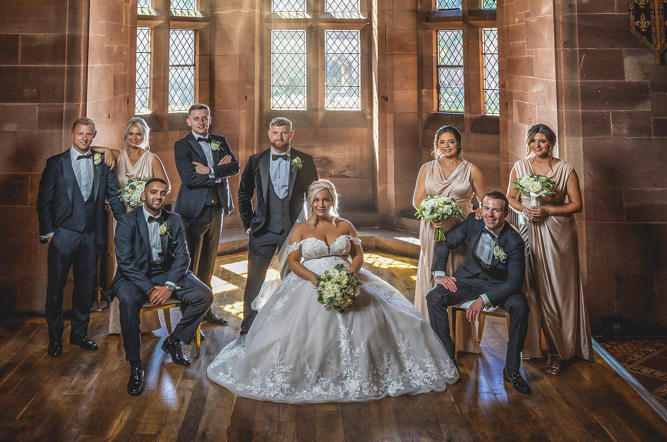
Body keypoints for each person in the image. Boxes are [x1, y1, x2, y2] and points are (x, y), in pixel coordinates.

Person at [207, 180, 459, 403]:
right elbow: (293, 262)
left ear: (333, 201)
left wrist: (351, 274)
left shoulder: (345, 225)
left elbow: (358, 254)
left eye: (325, 199)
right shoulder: (302, 229)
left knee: (390, 321)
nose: (321, 203)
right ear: (310, 202)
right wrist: (315, 279)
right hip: (311, 281)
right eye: (316, 199)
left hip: (348, 276)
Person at [109, 178, 213, 396]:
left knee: (203, 294)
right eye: (153, 192)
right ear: (143, 196)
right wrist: (149, 289)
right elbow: (126, 263)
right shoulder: (127, 221)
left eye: (162, 193)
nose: (158, 196)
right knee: (127, 301)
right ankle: (136, 365)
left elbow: (183, 256)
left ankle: (174, 341)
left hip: (166, 273)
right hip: (134, 276)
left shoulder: (173, 219)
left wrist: (169, 285)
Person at [507, 122, 592, 374]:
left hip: (558, 234)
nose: (537, 146)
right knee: (532, 288)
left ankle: (560, 349)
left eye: (542, 141)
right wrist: (526, 210)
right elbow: (511, 198)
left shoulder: (565, 169)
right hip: (528, 230)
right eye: (533, 141)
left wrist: (548, 209)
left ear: (551, 143)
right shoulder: (520, 167)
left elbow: (576, 204)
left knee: (559, 289)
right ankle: (536, 346)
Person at [426, 191, 531, 394]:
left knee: (520, 306)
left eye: (496, 210)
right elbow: (445, 242)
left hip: (500, 285)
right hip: (470, 280)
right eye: (486, 208)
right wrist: (440, 274)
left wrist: (483, 300)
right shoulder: (473, 223)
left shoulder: (514, 241)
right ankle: (448, 359)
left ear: (506, 213)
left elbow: (515, 283)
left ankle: (511, 370)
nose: (490, 215)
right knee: (434, 297)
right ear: (480, 209)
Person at [36, 116, 124, 357]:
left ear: (94, 136)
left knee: (85, 289)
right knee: (55, 289)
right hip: (62, 235)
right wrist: (50, 234)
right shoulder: (56, 163)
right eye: (80, 134)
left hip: (90, 236)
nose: (84, 138)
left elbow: (114, 195)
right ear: (72, 135)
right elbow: (43, 201)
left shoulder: (101, 163)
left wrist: (125, 221)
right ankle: (55, 339)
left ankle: (79, 334)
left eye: (89, 134)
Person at [237, 116, 318, 334]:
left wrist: (310, 228)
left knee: (293, 281)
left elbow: (315, 197)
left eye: (283, 132)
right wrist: (248, 224)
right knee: (254, 281)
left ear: (291, 134)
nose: (279, 137)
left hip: (292, 233)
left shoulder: (305, 160)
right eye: (275, 132)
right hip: (261, 231)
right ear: (269, 134)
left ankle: (292, 327)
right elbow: (244, 194)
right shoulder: (256, 160)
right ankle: (248, 328)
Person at [94, 117, 170, 334]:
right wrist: (107, 151)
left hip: (146, 218)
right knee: (123, 265)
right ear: (125, 135)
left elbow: (166, 187)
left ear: (145, 137)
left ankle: (146, 324)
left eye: (139, 134)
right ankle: (119, 324)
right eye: (131, 134)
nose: (134, 138)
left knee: (145, 265)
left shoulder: (151, 158)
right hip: (123, 218)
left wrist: (147, 196)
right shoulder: (118, 155)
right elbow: (90, 147)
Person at [412, 125, 487, 322]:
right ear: (437, 145)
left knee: (455, 274)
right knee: (432, 271)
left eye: (451, 141)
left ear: (459, 144)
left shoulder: (472, 170)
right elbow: (417, 200)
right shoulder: (427, 168)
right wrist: (430, 216)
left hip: (460, 229)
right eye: (442, 142)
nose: (447, 146)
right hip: (432, 227)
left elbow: (486, 202)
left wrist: (480, 209)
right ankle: (429, 325)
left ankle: (458, 333)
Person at [174, 103, 239, 326]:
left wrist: (209, 170)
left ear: (209, 120)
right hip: (193, 211)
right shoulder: (181, 145)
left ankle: (206, 311)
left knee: (209, 264)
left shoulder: (219, 140)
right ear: (189, 121)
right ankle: (189, 320)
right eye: (197, 118)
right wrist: (218, 174)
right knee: (190, 265)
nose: (201, 121)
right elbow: (188, 178)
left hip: (217, 208)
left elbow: (235, 167)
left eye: (205, 117)